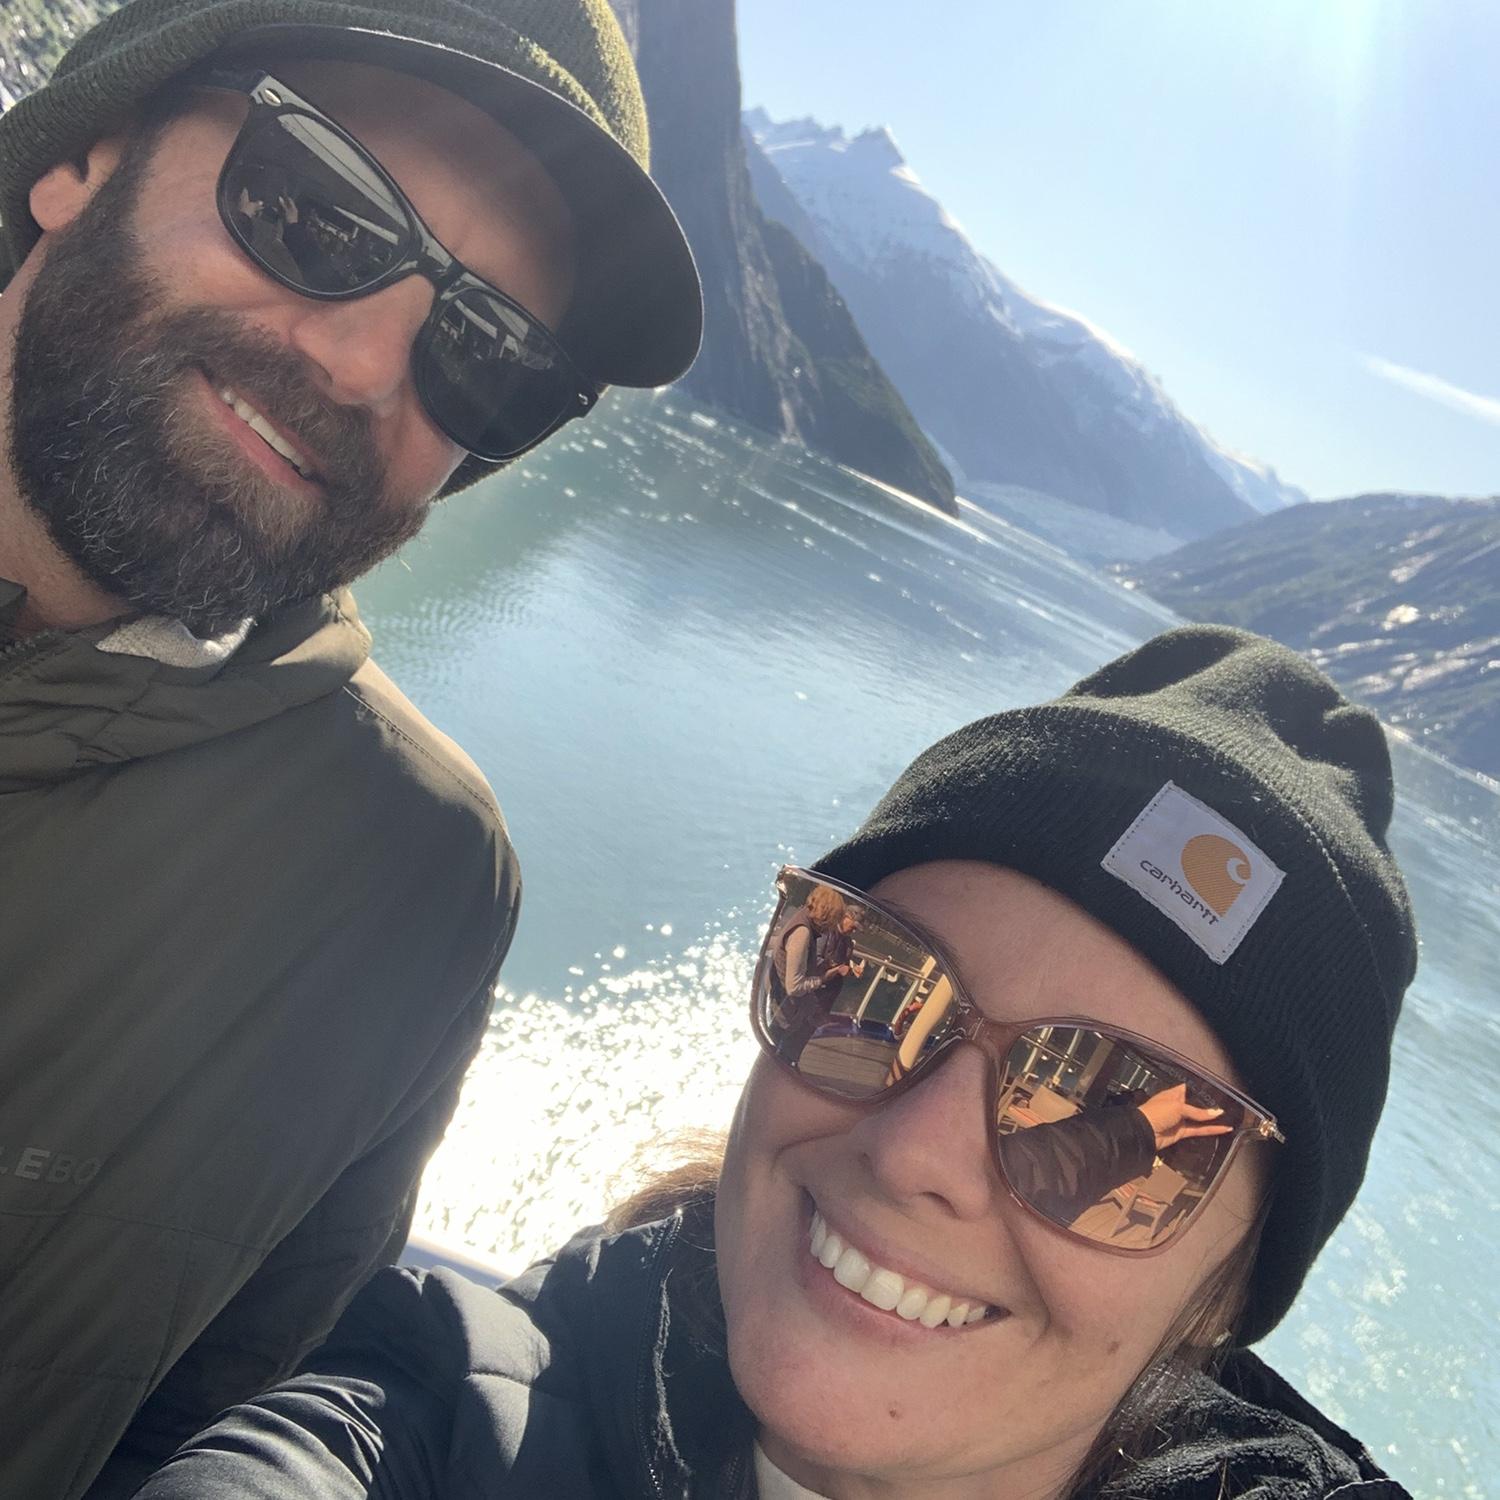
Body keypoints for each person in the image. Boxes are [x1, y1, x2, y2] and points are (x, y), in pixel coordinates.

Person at [133, 625, 1417, 1499]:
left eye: (1111, 1125)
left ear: (1229, 1287)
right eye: (873, 981)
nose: (916, 1151)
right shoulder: (444, 1407)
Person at [0, 2, 700, 1495]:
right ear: (87, 154)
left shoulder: (411, 890)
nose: (372, 363)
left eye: (486, 355)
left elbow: (206, 1420)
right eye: (315, 206)